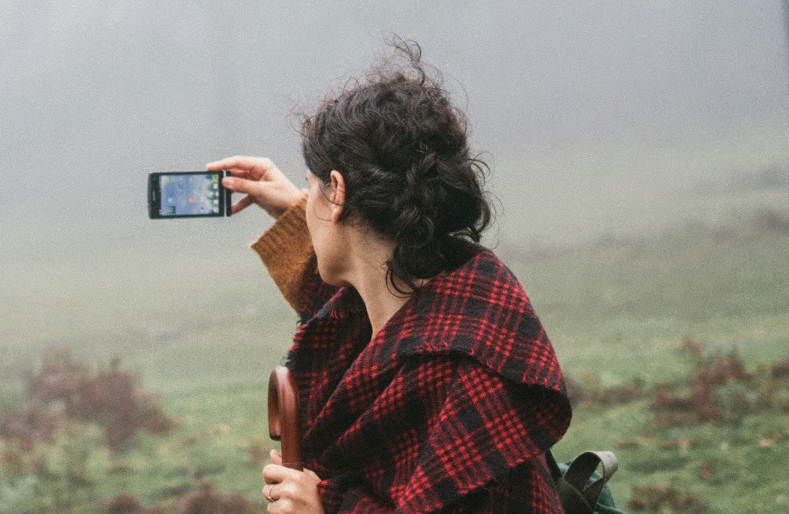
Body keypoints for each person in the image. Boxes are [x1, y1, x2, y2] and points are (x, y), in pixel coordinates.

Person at [210, 44, 571, 514]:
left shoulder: (454, 373)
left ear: (337, 192)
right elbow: (344, 298)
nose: (305, 201)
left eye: (312, 187)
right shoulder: (451, 304)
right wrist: (301, 212)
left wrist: (326, 509)